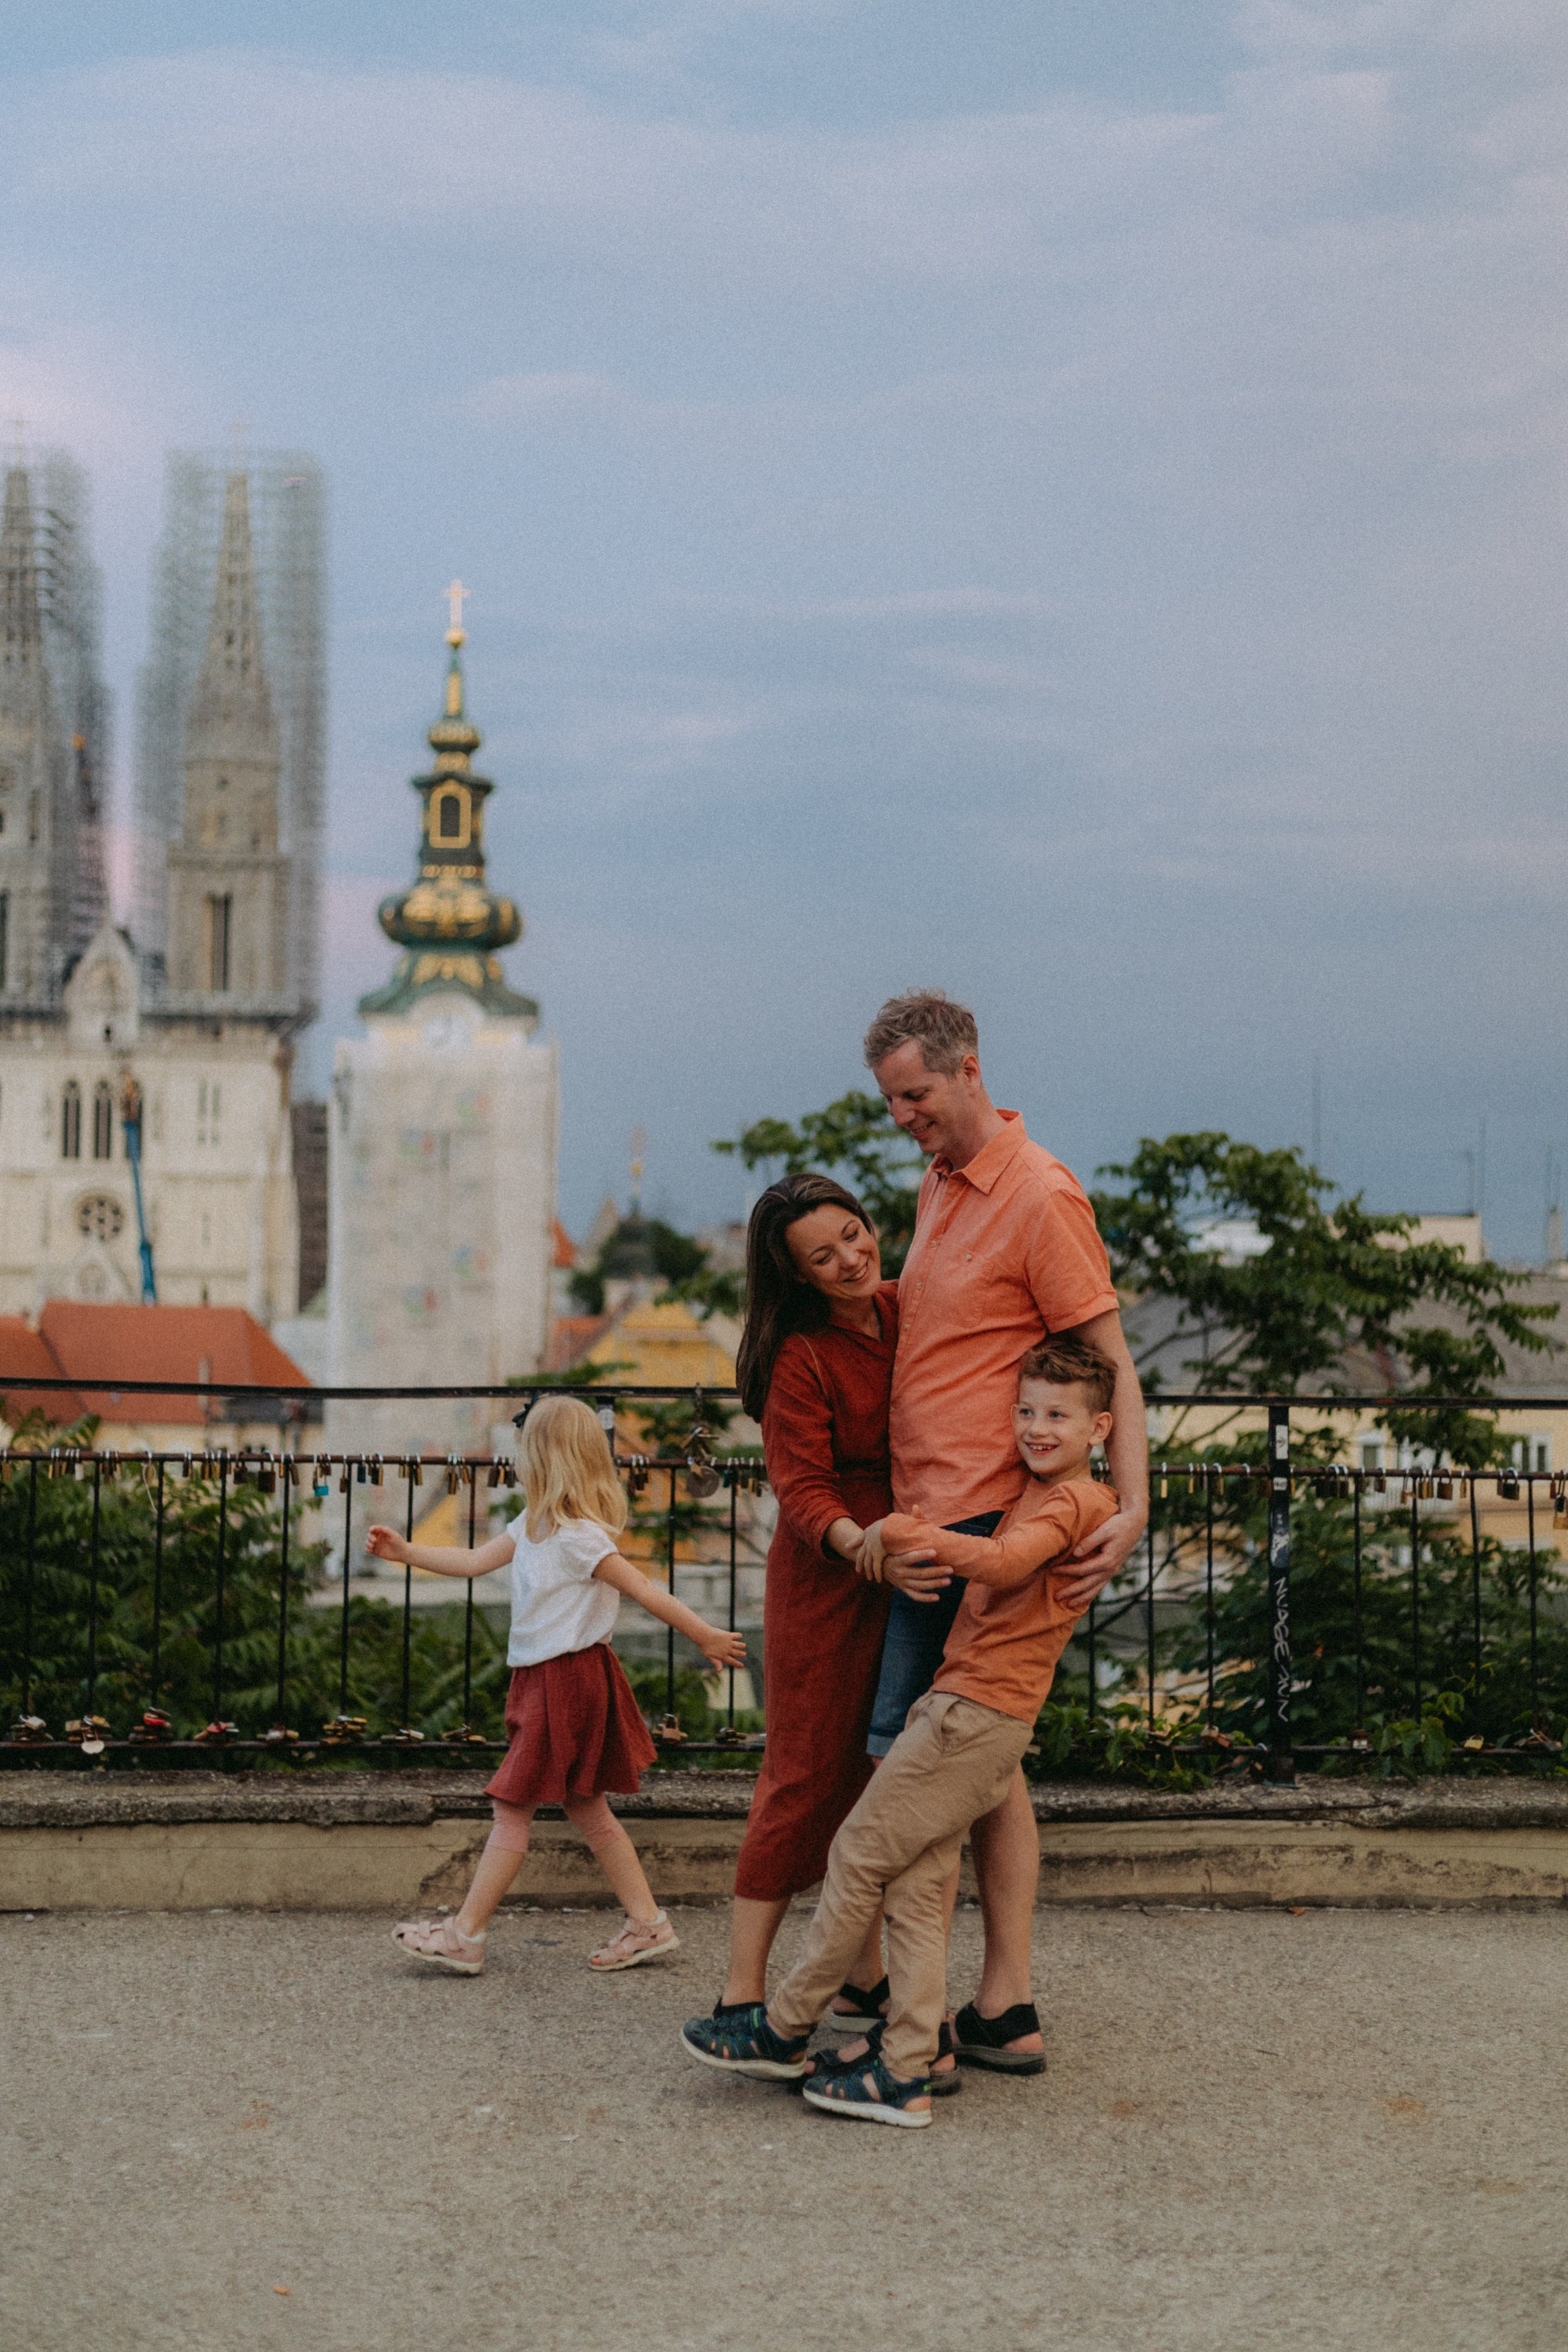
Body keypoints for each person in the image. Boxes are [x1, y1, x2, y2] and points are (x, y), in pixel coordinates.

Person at [680, 1335, 1118, 2126]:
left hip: (974, 1715)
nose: (1035, 1427)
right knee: (915, 1886)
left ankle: (781, 2027)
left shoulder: (1078, 1501)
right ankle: (905, 2068)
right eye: (1024, 1411)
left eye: (1057, 1414)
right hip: (962, 1709)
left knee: (856, 1852)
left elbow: (1006, 1563)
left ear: (1101, 1429)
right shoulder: (1037, 1485)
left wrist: (902, 1533)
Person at [853, 988, 1149, 2073]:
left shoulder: (1037, 1194)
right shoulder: (941, 1184)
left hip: (978, 1518)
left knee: (922, 1763)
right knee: (985, 1768)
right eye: (890, 1100)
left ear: (968, 1069)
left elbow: (1109, 1362)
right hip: (934, 1510)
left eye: (914, 1095)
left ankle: (914, 2023)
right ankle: (1002, 2005)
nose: (901, 1116)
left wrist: (1132, 1506)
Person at [368, 1394, 746, 1976]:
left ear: (544, 1459)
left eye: (524, 1451)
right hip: (551, 1678)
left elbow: (645, 1591)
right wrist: (404, 1551)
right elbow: (472, 1562)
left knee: (512, 1811)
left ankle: (465, 1936)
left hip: (565, 1681)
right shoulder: (534, 1525)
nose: (518, 1461)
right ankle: (648, 1924)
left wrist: (705, 1636)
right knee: (587, 1807)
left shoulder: (578, 1537)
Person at [706, 1173, 953, 2027]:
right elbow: (801, 1489)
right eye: (823, 1255)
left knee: (876, 1777)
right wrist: (862, 1546)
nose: (850, 1258)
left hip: (912, 1569)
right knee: (803, 1776)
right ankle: (740, 1989)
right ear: (796, 1277)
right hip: (828, 1581)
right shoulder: (799, 1356)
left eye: (852, 1234)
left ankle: (859, 1977)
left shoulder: (905, 1306)